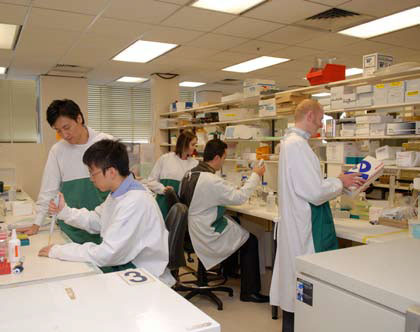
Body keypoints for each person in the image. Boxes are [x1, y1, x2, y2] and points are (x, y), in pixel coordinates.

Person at [269, 99, 365, 332]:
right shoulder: (297, 146)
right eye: (321, 119)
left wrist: (337, 182)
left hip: (298, 226)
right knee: (302, 291)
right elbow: (313, 192)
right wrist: (339, 182)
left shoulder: (294, 144)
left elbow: (309, 185)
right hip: (304, 230)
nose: (321, 124)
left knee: (297, 291)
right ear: (310, 115)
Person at [38, 139, 174, 285]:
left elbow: (107, 253)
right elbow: (96, 220)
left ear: (111, 172)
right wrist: (64, 212)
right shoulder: (118, 193)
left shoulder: (134, 201)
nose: (91, 179)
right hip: (127, 264)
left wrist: (59, 251)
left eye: (92, 173)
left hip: (145, 275)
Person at [179, 139, 269, 303]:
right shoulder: (211, 181)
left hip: (191, 229)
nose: (224, 161)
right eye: (224, 157)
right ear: (217, 158)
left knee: (236, 222)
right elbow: (240, 197)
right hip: (206, 233)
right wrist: (256, 174)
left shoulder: (190, 173)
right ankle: (250, 292)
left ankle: (229, 272)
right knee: (251, 241)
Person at [18, 99, 112, 245]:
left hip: (104, 225)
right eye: (58, 131)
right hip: (71, 228)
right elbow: (48, 190)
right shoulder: (58, 151)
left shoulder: (106, 142)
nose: (65, 135)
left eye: (67, 127)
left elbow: (120, 184)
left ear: (79, 118)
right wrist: (37, 223)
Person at [147, 131, 198, 219]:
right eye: (193, 144)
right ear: (184, 144)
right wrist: (163, 189)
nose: (194, 148)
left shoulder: (194, 163)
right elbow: (151, 181)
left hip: (182, 206)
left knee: (177, 229)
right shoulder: (165, 159)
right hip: (163, 203)